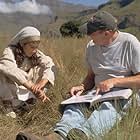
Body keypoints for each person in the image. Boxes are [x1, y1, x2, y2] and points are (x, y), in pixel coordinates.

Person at [16, 11, 140, 140]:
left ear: (107, 33)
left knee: (108, 107)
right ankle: (57, 136)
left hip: (124, 94)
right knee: (75, 106)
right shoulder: (92, 47)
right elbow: (91, 77)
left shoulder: (130, 43)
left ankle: (84, 136)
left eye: (92, 33)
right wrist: (82, 86)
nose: (88, 36)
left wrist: (114, 82)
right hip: (97, 93)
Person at [0, 26, 55, 118]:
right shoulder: (9, 51)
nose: (34, 50)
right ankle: (7, 105)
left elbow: (49, 64)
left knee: (46, 66)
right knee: (3, 69)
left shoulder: (36, 53)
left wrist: (42, 83)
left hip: (28, 87)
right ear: (22, 44)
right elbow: (10, 69)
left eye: (36, 47)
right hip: (13, 87)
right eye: (31, 47)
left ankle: (29, 101)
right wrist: (32, 87)